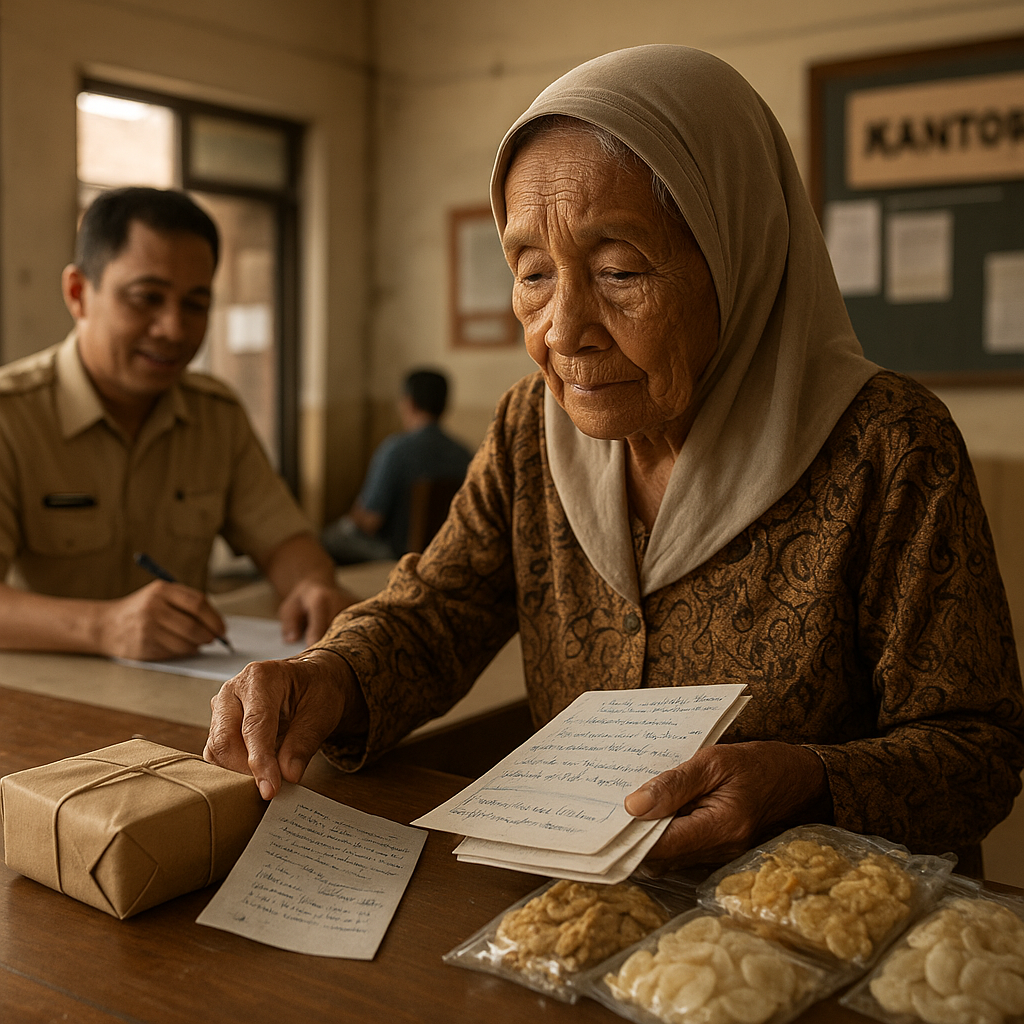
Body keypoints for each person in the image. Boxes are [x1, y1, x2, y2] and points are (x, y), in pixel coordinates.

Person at [204, 46, 1024, 873]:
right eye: (532, 274)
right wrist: (329, 676)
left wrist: (806, 783)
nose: (564, 330)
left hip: (819, 919)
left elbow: (977, 749)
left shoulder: (887, 446)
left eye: (620, 270)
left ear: (738, 253)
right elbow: (436, 615)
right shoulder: (531, 430)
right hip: (584, 912)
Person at [0, 187, 354, 661]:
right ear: (79, 293)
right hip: (42, 695)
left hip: (186, 691)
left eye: (195, 304)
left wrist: (312, 585)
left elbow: (283, 539)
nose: (173, 329)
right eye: (146, 298)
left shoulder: (215, 416)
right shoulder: (11, 417)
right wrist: (103, 627)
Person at [321, 369, 473, 563]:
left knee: (325, 541)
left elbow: (370, 521)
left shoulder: (395, 450)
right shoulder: (464, 454)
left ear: (409, 403)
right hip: (445, 551)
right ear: (444, 405)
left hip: (397, 553)